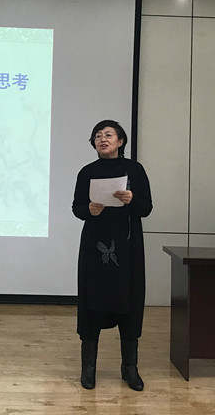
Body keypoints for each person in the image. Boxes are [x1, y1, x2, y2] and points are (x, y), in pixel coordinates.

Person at [71, 119, 152, 391]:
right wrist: (88, 210)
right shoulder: (87, 172)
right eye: (97, 136)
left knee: (129, 301)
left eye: (108, 134)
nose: (102, 139)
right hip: (95, 245)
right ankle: (88, 368)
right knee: (92, 301)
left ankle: (130, 367)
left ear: (121, 141)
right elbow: (77, 207)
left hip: (127, 246)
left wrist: (131, 200)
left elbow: (146, 208)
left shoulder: (134, 170)